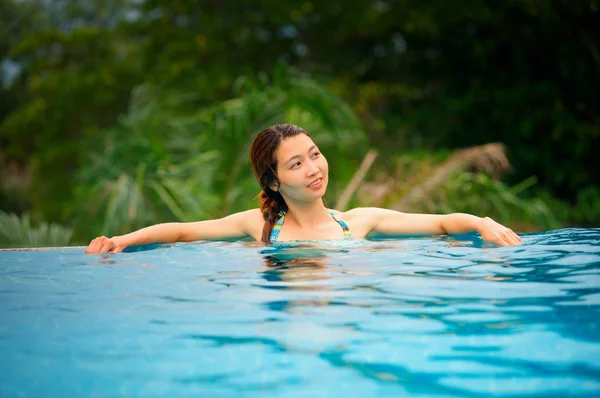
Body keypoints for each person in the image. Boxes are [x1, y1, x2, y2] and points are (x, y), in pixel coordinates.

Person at [85, 123, 522, 253]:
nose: (314, 168)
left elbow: (442, 222)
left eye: (315, 153)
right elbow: (180, 231)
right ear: (273, 180)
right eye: (297, 163)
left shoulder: (358, 223)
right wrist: (121, 241)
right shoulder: (260, 227)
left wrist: (483, 222)